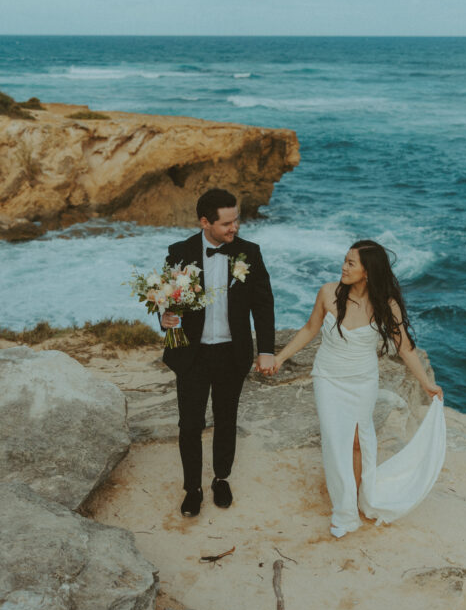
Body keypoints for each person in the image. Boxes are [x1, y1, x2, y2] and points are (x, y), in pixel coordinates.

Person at [271, 240, 446, 538]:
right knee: (334, 439)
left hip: (362, 380)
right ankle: (344, 510)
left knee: (356, 441)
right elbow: (310, 329)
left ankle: (355, 497)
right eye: (345, 260)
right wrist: (280, 357)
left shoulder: (385, 304)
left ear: (368, 271)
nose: (344, 266)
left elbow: (405, 348)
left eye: (352, 263)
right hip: (328, 377)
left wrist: (427, 383)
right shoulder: (328, 293)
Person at [161, 188, 275, 517]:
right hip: (191, 354)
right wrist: (164, 317)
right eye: (226, 223)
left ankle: (221, 478)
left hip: (231, 352)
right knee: (189, 424)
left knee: (227, 420)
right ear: (205, 222)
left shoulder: (249, 253)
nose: (234, 227)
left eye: (236, 220)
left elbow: (263, 304)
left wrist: (266, 349)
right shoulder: (178, 252)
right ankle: (192, 488)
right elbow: (166, 297)